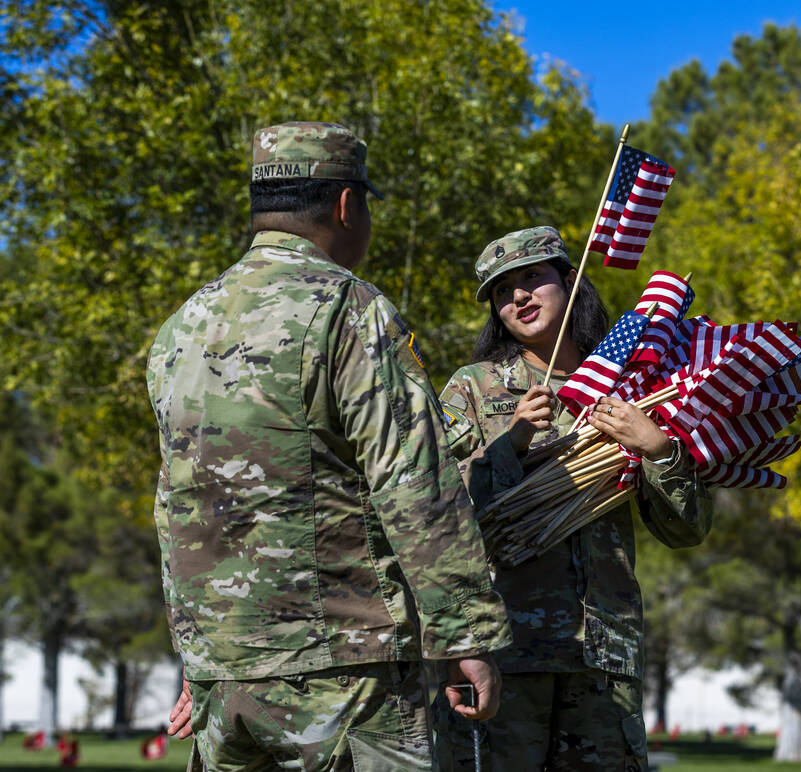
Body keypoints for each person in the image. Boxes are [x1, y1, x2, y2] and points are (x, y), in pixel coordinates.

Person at [147, 121, 511, 771]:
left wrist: (197, 653)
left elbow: (176, 503)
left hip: (222, 681)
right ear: (347, 205)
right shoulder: (351, 311)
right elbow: (415, 485)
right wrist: (467, 633)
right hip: (345, 671)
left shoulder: (180, 329)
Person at [433, 226, 714, 770]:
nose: (517, 297)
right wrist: (510, 443)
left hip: (602, 656)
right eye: (501, 290)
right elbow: (438, 513)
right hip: (504, 651)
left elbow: (686, 530)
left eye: (532, 278)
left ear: (570, 279)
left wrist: (658, 451)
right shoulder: (473, 387)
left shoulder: (636, 387)